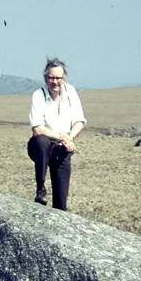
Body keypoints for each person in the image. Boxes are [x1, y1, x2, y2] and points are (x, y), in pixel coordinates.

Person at [27, 58, 86, 210]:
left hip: (62, 148)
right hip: (43, 147)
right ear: (45, 78)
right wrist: (62, 136)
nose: (55, 81)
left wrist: (70, 138)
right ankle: (40, 188)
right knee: (41, 141)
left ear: (63, 78)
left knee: (61, 203)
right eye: (51, 77)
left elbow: (79, 120)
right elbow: (37, 129)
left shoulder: (71, 92)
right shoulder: (38, 95)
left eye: (58, 78)